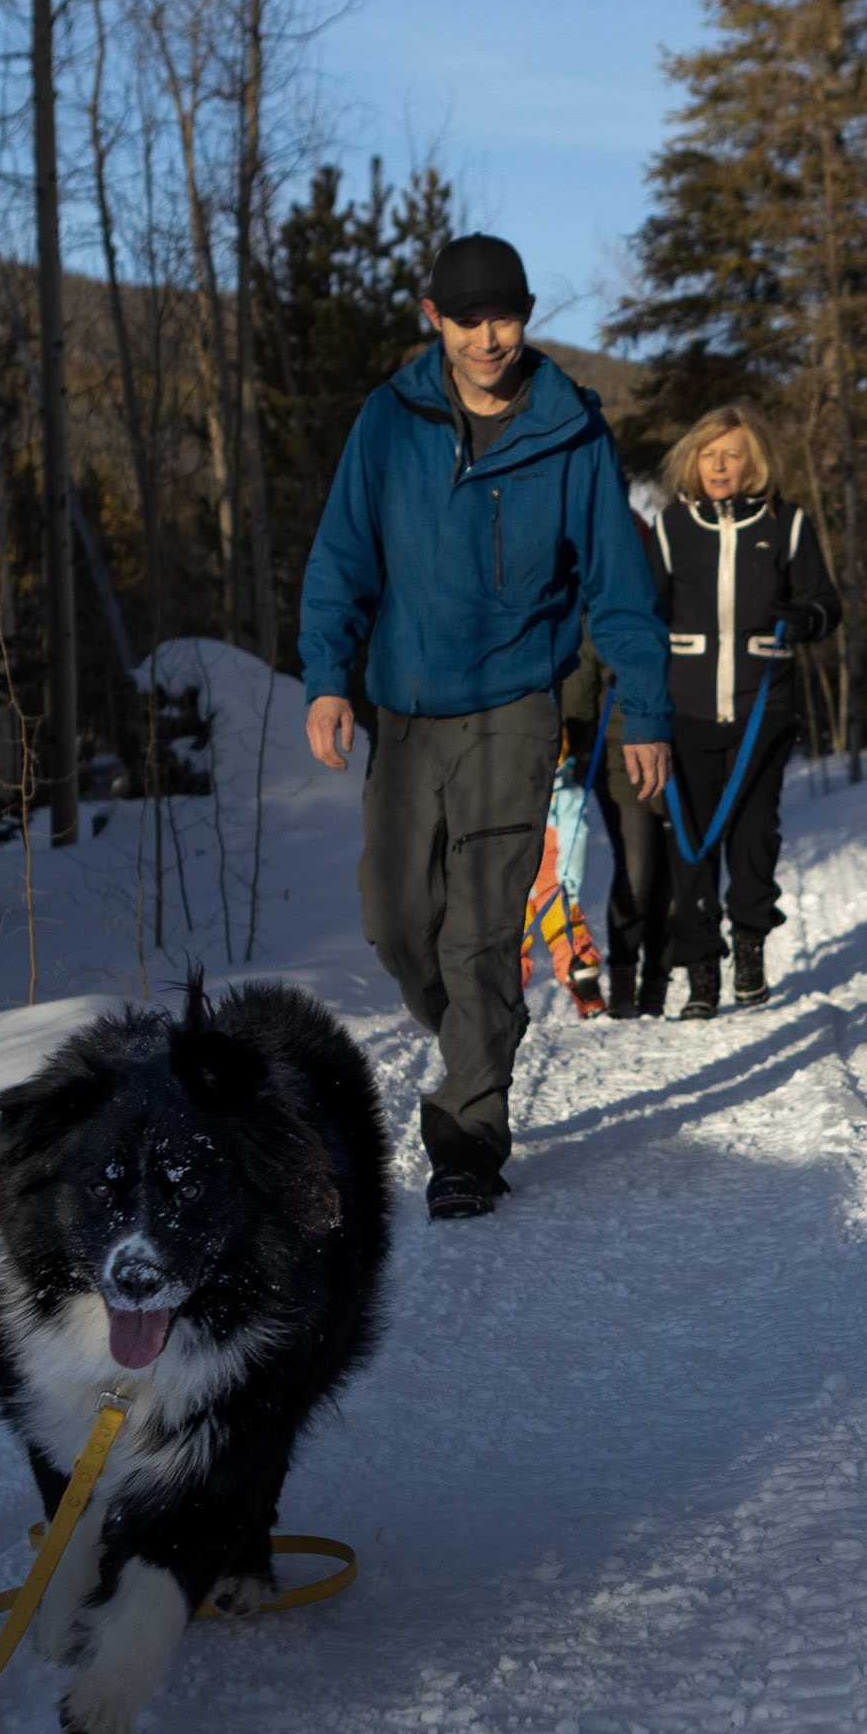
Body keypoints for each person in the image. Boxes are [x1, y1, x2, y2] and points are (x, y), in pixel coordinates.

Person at [299, 232, 672, 1220]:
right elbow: (343, 554)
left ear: (528, 313)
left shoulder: (572, 431)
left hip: (516, 707)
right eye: (468, 319)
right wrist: (328, 678)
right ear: (436, 319)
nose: (489, 338)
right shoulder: (390, 420)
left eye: (505, 316)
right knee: (393, 916)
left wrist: (642, 705)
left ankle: (468, 1134)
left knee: (482, 927)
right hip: (407, 709)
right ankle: (478, 1032)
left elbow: (619, 585)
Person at [647, 404, 841, 1019]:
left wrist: (804, 617)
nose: (720, 465)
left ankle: (750, 949)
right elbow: (644, 615)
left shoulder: (787, 524)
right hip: (688, 711)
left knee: (755, 839)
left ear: (754, 461)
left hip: (763, 708)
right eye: (709, 454)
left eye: (732, 454)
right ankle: (702, 973)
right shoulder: (672, 528)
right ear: (693, 461)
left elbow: (825, 604)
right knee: (691, 844)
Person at [561, 626, 672, 1017]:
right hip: (620, 753)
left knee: (674, 876)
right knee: (637, 872)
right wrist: (576, 743)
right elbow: (581, 680)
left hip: (683, 746)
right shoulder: (611, 594)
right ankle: (624, 978)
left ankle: (658, 983)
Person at [520, 736, 606, 1019]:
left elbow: (576, 839)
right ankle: (502, 990)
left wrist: (568, 882)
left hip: (552, 882)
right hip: (515, 880)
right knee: (508, 936)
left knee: (567, 931)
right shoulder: (509, 793)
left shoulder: (566, 797)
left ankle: (584, 982)